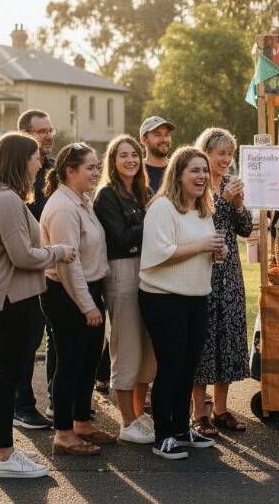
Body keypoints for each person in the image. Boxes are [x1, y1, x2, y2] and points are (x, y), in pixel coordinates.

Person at [0, 132, 75, 478]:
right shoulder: (6, 201)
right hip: (10, 299)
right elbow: (21, 255)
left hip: (4, 297)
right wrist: (58, 252)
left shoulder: (2, 198)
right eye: (34, 158)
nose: (39, 163)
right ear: (20, 160)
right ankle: (4, 455)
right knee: (7, 377)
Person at [139, 146, 226, 460]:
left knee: (189, 367)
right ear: (178, 173)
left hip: (196, 298)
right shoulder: (162, 207)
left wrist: (215, 253)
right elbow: (157, 255)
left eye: (204, 171)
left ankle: (180, 428)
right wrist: (202, 244)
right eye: (195, 170)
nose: (202, 176)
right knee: (171, 366)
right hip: (163, 299)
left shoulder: (203, 211)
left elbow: (196, 251)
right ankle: (163, 435)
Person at [40, 143, 114, 455]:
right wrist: (87, 306)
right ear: (70, 171)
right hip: (67, 295)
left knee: (88, 362)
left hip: (89, 290)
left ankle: (82, 423)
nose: (97, 172)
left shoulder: (82, 201)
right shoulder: (62, 207)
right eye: (91, 167)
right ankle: (63, 433)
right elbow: (68, 264)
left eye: (98, 166)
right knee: (69, 364)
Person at [93, 135, 156, 444]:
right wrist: (151, 216)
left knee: (148, 349)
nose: (130, 160)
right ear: (113, 161)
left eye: (134, 154)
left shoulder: (145, 192)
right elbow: (119, 239)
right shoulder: (106, 196)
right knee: (127, 345)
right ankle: (127, 421)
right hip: (122, 272)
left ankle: (139, 411)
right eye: (123, 155)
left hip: (150, 272)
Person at [190, 128, 253, 436]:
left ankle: (221, 409)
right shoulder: (197, 186)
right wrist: (226, 201)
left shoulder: (230, 185)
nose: (227, 159)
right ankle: (198, 413)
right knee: (203, 339)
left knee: (227, 335)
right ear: (206, 153)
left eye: (230, 153)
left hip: (230, 272)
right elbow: (202, 224)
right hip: (202, 268)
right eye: (221, 153)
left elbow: (244, 229)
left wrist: (239, 205)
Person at [14, 109, 57, 430]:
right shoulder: (17, 177)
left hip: (56, 265)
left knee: (54, 337)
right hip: (27, 266)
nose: (48, 135)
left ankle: (59, 400)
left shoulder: (55, 170)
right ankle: (22, 404)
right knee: (26, 339)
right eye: (41, 131)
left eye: (50, 130)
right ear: (26, 134)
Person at [140, 115, 175, 192]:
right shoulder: (137, 171)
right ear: (144, 140)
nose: (164, 139)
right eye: (157, 135)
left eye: (167, 134)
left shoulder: (178, 168)